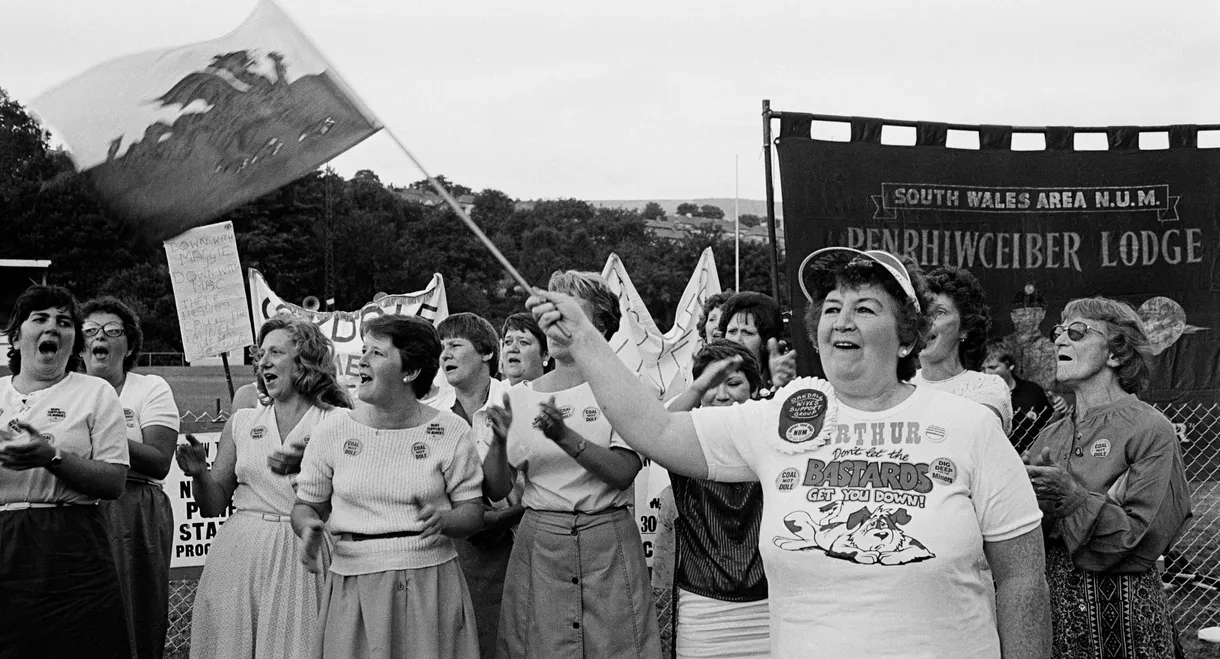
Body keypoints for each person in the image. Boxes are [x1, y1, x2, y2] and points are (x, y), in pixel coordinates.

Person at [527, 248, 1051, 658]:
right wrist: (584, 337)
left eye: (864, 308)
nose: (842, 321)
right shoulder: (779, 417)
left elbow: (1023, 578)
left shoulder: (970, 427)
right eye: (832, 309)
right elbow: (655, 429)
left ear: (908, 338)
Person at [483, 270, 661, 659]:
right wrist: (497, 443)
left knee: (617, 647)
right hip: (540, 543)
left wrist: (566, 438)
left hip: (607, 542)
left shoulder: (624, 388)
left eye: (567, 314)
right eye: (548, 313)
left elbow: (622, 473)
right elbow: (498, 489)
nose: (553, 324)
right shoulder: (519, 396)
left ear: (601, 327)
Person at [293, 315, 483, 659]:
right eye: (363, 350)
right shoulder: (333, 430)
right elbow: (307, 506)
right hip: (353, 583)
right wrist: (306, 525)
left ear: (409, 372)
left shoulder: (452, 431)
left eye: (377, 353)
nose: (362, 360)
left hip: (431, 586)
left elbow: (472, 513)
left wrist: (445, 520)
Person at [1024, 297, 1191, 659]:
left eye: (1078, 332)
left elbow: (1143, 537)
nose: (1060, 341)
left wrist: (1073, 499)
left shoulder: (1150, 429)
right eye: (1059, 332)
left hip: (1126, 618)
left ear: (1115, 354)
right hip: (1056, 621)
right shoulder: (1049, 436)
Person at [176, 317, 352, 659]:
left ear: (304, 360)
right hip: (241, 552)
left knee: (300, 646)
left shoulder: (337, 421)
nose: (263, 362)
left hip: (306, 551)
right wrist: (199, 473)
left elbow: (351, 497)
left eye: (276, 352)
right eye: (260, 354)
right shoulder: (242, 421)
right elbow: (213, 505)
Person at [0, 285, 130, 658]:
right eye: (39, 319)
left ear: (75, 340)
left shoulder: (95, 393)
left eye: (64, 322)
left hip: (72, 549)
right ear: (17, 334)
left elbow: (114, 481)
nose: (52, 329)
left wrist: (52, 457)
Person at [652, 340, 769, 659]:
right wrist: (697, 387)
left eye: (733, 383)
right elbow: (652, 433)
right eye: (711, 385)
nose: (722, 394)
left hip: (770, 608)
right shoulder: (684, 444)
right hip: (702, 609)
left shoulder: (773, 440)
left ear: (755, 389)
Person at [81, 296, 180, 659]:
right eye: (89, 330)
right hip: (77, 507)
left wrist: (98, 434)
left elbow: (157, 460)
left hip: (133, 512)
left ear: (131, 343)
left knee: (135, 612)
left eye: (112, 330)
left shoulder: (150, 388)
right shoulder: (65, 390)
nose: (99, 337)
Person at [437, 312, 525, 659]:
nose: (445, 355)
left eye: (455, 345)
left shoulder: (520, 403)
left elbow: (538, 484)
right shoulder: (434, 414)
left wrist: (504, 517)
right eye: (441, 347)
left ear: (487, 352)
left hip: (516, 547)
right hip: (455, 550)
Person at [911, 265, 1013, 433]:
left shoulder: (988, 386)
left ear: (965, 328)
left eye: (939, 312)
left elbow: (973, 435)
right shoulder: (900, 384)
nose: (925, 321)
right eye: (921, 312)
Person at [983, 337, 1053, 453]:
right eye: (982, 369)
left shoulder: (1033, 392)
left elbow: (1049, 426)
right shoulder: (978, 397)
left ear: (1010, 365)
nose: (986, 374)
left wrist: (1059, 409)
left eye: (992, 368)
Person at [717, 291, 795, 393]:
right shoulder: (710, 380)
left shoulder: (782, 384)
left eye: (747, 333)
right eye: (732, 331)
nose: (737, 340)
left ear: (766, 342)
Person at [499, 312, 549, 386]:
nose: (512, 348)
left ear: (546, 355)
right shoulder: (491, 395)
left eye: (523, 342)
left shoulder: (560, 394)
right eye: (508, 342)